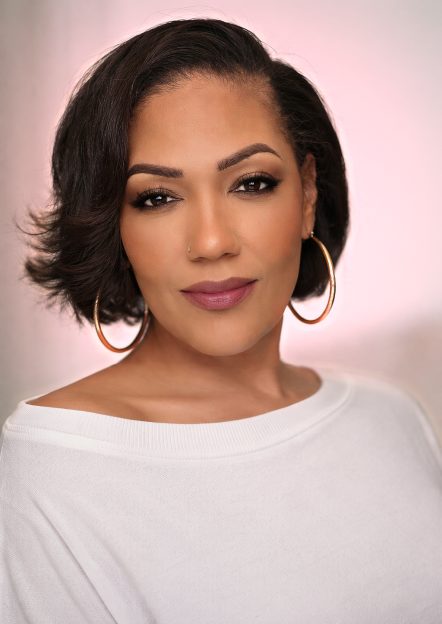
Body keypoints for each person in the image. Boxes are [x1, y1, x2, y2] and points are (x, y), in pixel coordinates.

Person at [1, 17, 441, 623]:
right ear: (113, 225)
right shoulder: (51, 470)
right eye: (157, 197)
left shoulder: (392, 418)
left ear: (308, 194)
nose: (210, 242)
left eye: (251, 183)